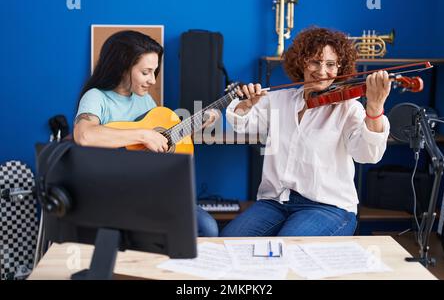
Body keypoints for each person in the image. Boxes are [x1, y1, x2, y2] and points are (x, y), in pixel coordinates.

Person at [220, 27, 391, 237]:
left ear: (340, 68)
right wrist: (246, 105)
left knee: (289, 250)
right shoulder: (279, 99)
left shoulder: (349, 108)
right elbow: (241, 124)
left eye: (330, 64)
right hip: (275, 202)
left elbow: (368, 155)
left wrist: (374, 108)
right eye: (315, 62)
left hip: (327, 207)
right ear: (302, 62)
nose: (322, 71)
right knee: (230, 241)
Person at [73, 30, 218, 237]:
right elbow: (85, 136)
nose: (152, 80)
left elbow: (158, 144)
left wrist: (194, 126)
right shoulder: (96, 97)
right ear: (123, 67)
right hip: (111, 193)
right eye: (145, 72)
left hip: (149, 190)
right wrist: (143, 135)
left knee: (207, 227)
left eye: (154, 72)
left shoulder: (145, 100)